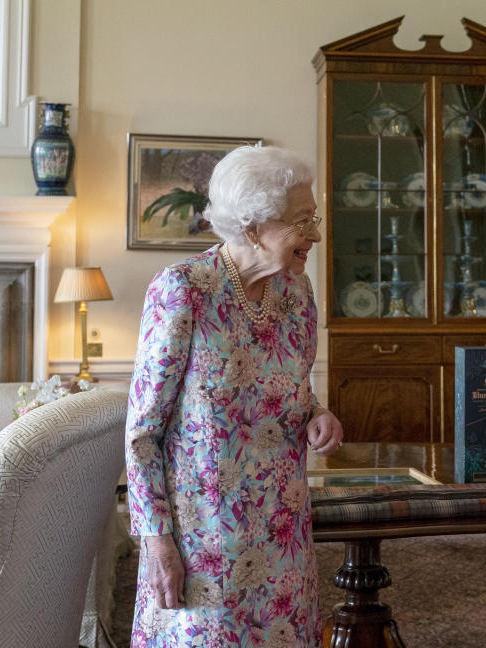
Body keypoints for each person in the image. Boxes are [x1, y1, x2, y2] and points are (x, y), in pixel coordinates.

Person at [125, 145, 343, 648]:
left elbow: (294, 388)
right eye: (301, 221)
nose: (315, 234)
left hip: (282, 530)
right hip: (205, 539)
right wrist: (156, 542)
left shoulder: (297, 293)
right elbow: (142, 433)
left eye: (315, 218)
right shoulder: (183, 291)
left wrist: (317, 412)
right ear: (252, 226)